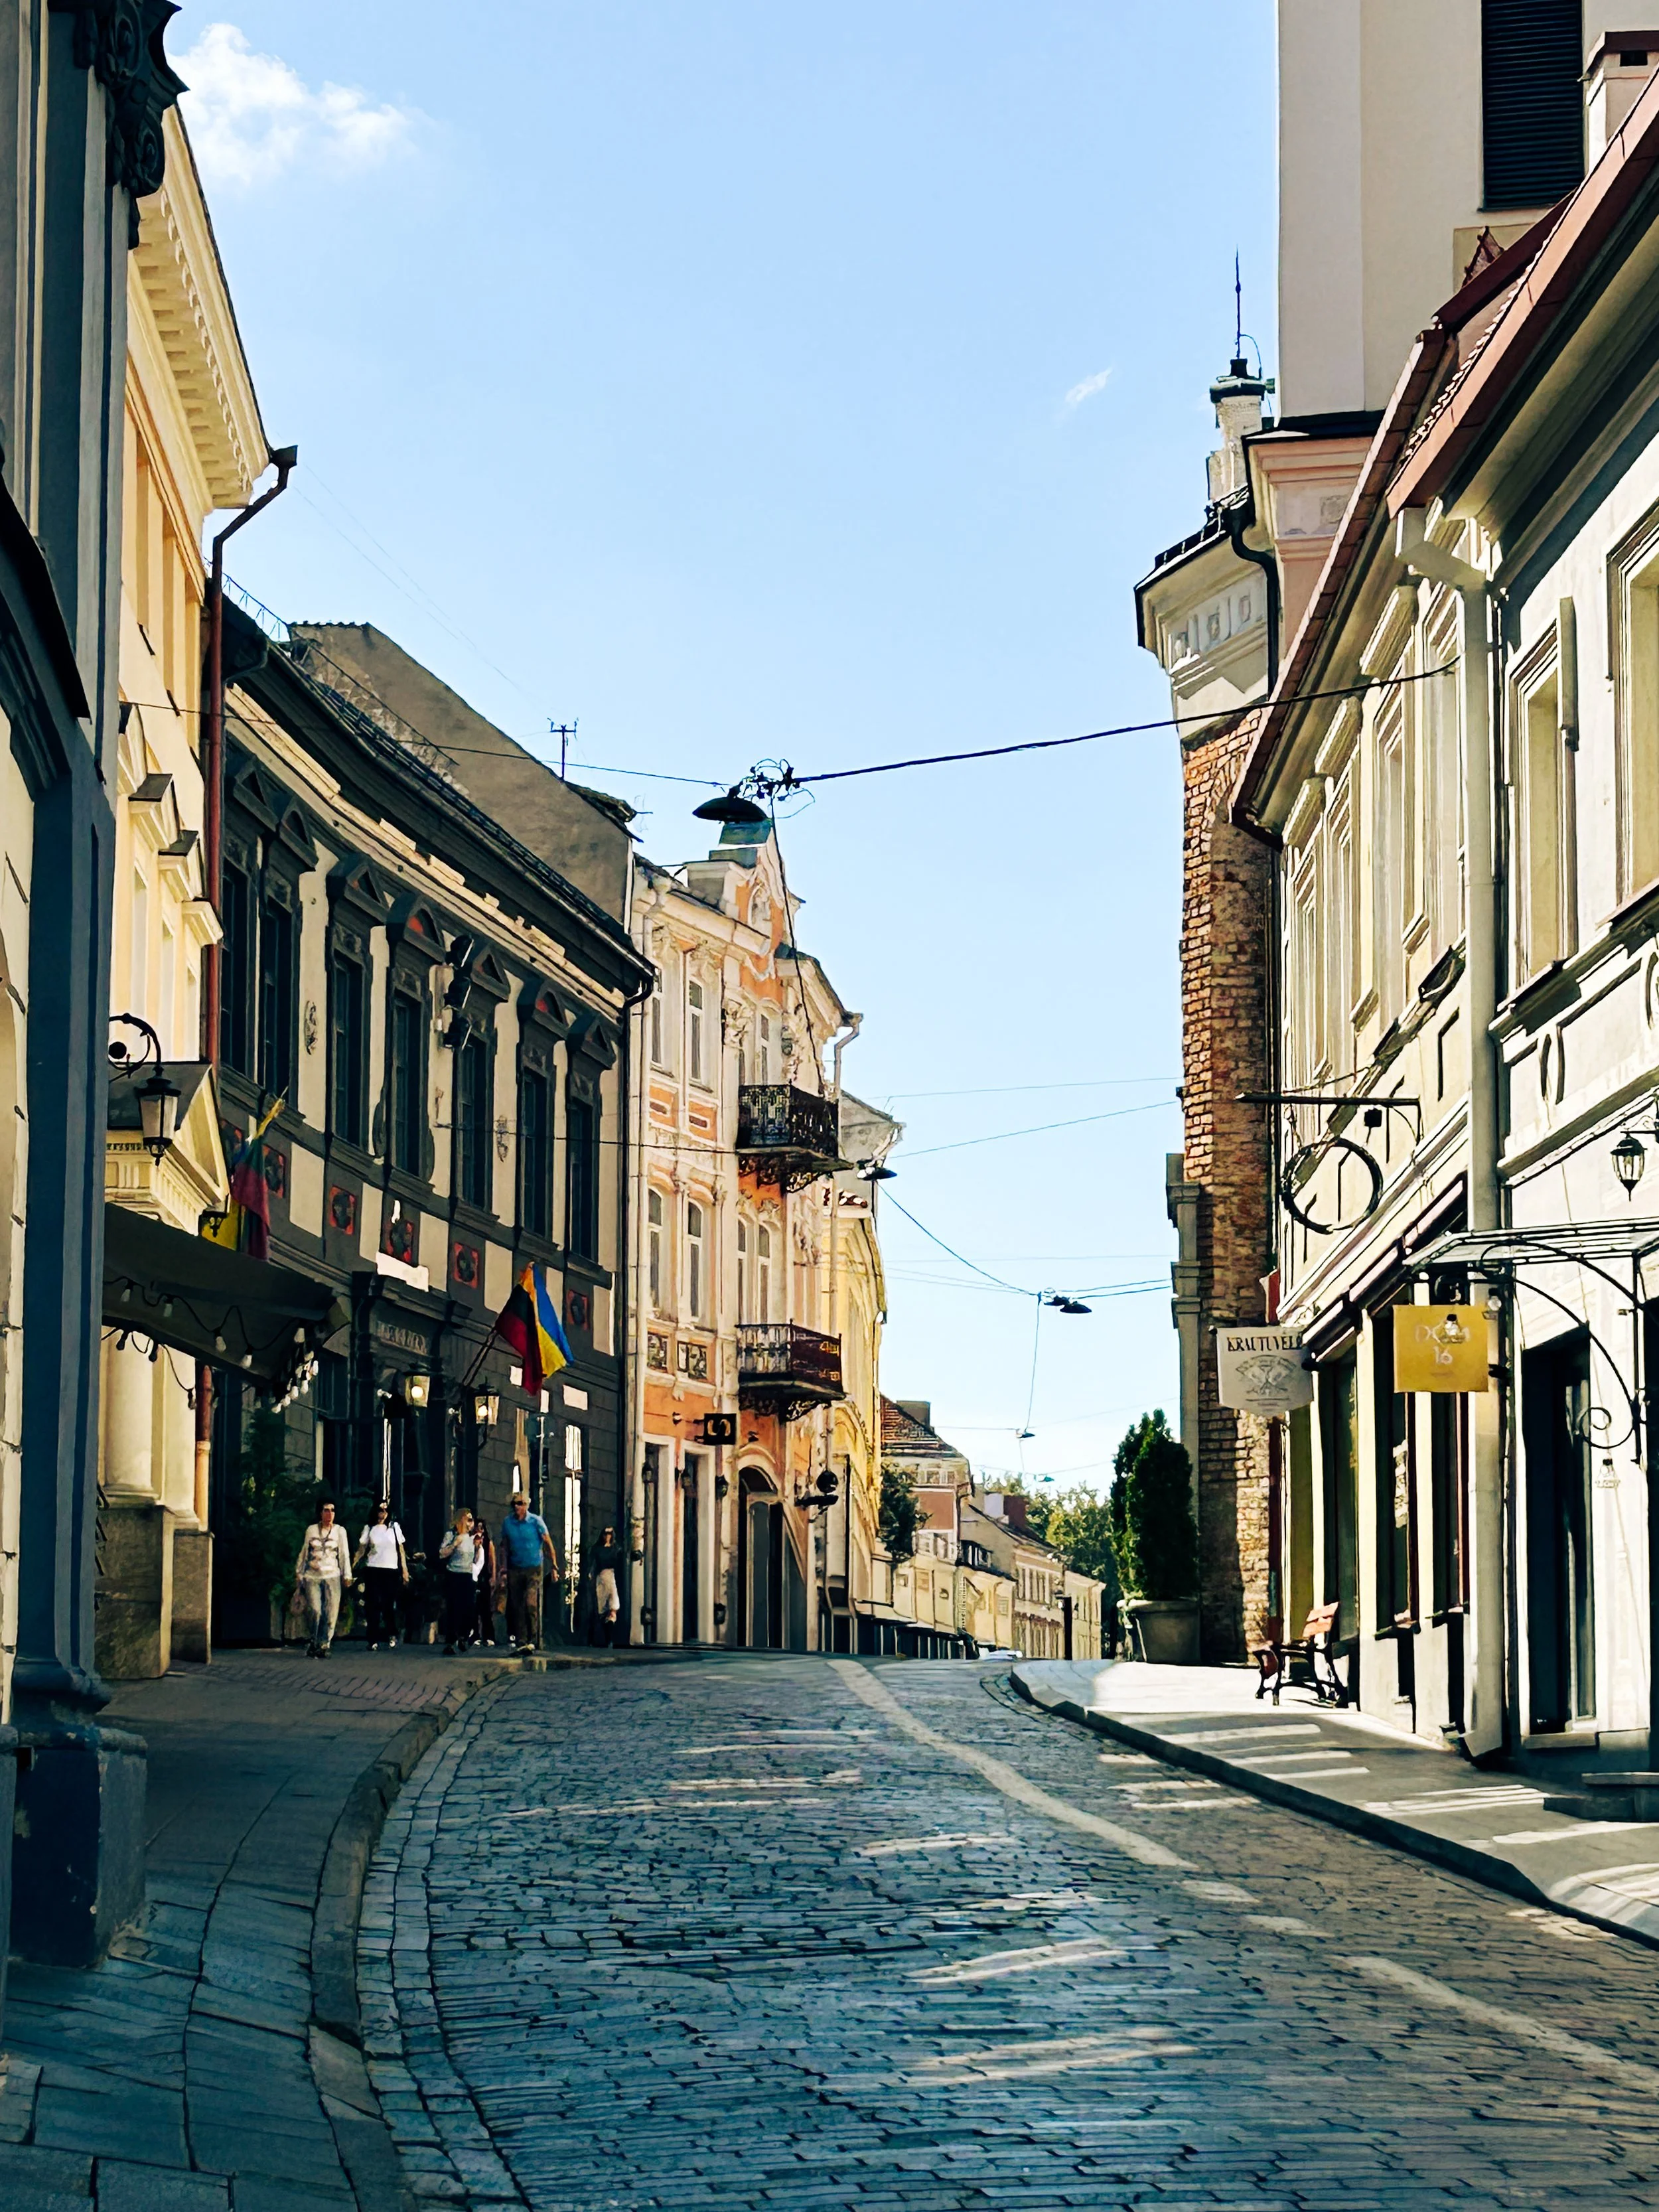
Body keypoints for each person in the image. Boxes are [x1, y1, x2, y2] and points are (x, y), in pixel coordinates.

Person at [495, 1491, 559, 1651]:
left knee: (531, 1602)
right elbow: (504, 1545)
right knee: (517, 1605)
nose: (517, 1507)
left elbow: (547, 1543)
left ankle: (534, 1639)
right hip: (515, 1567)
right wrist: (503, 1568)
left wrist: (554, 1566)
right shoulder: (508, 1523)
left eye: (521, 1504)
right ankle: (521, 1639)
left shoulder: (536, 1521)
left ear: (527, 1506)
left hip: (533, 1567)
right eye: (515, 1504)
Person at [293, 1499, 352, 1658]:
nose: (330, 1514)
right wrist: (299, 1573)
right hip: (313, 1576)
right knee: (315, 1610)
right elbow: (305, 1552)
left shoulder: (340, 1531)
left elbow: (344, 1555)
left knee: (331, 1612)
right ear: (320, 1513)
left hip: (332, 1575)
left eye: (332, 1510)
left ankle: (325, 1644)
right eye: (326, 1510)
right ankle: (314, 1640)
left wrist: (347, 1575)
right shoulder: (311, 1530)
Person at [354, 1499, 408, 1650]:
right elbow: (362, 1549)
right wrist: (352, 1565)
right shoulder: (369, 1528)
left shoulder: (394, 1527)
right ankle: (373, 1639)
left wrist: (404, 1570)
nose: (383, 1513)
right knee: (372, 1604)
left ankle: (392, 1633)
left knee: (388, 1604)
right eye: (380, 1510)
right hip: (373, 1568)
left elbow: (401, 1549)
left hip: (390, 1568)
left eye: (385, 1510)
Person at [437, 1509, 480, 1654]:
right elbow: (442, 1554)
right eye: (468, 1520)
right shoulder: (452, 1535)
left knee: (468, 1608)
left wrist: (478, 1547)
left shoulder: (471, 1538)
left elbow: (474, 1560)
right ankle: (450, 1641)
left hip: (467, 1575)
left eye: (472, 1520)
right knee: (453, 1608)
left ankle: (463, 1636)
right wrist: (455, 1544)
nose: (471, 1523)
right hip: (454, 1574)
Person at [589, 1525, 625, 1647]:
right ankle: (605, 1638)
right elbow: (593, 1563)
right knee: (602, 1610)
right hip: (601, 1577)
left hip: (612, 1577)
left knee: (613, 1607)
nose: (607, 1536)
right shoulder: (597, 1549)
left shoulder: (617, 1549)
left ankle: (609, 1638)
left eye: (610, 1533)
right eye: (605, 1533)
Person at [471, 1512, 498, 1649]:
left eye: (482, 1528)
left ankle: (489, 1636)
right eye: (478, 1527)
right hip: (473, 1574)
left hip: (485, 1576)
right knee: (474, 1607)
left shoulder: (488, 1543)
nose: (479, 1530)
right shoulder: (471, 1541)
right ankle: (475, 1635)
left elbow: (492, 1560)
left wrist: (493, 1577)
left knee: (486, 1608)